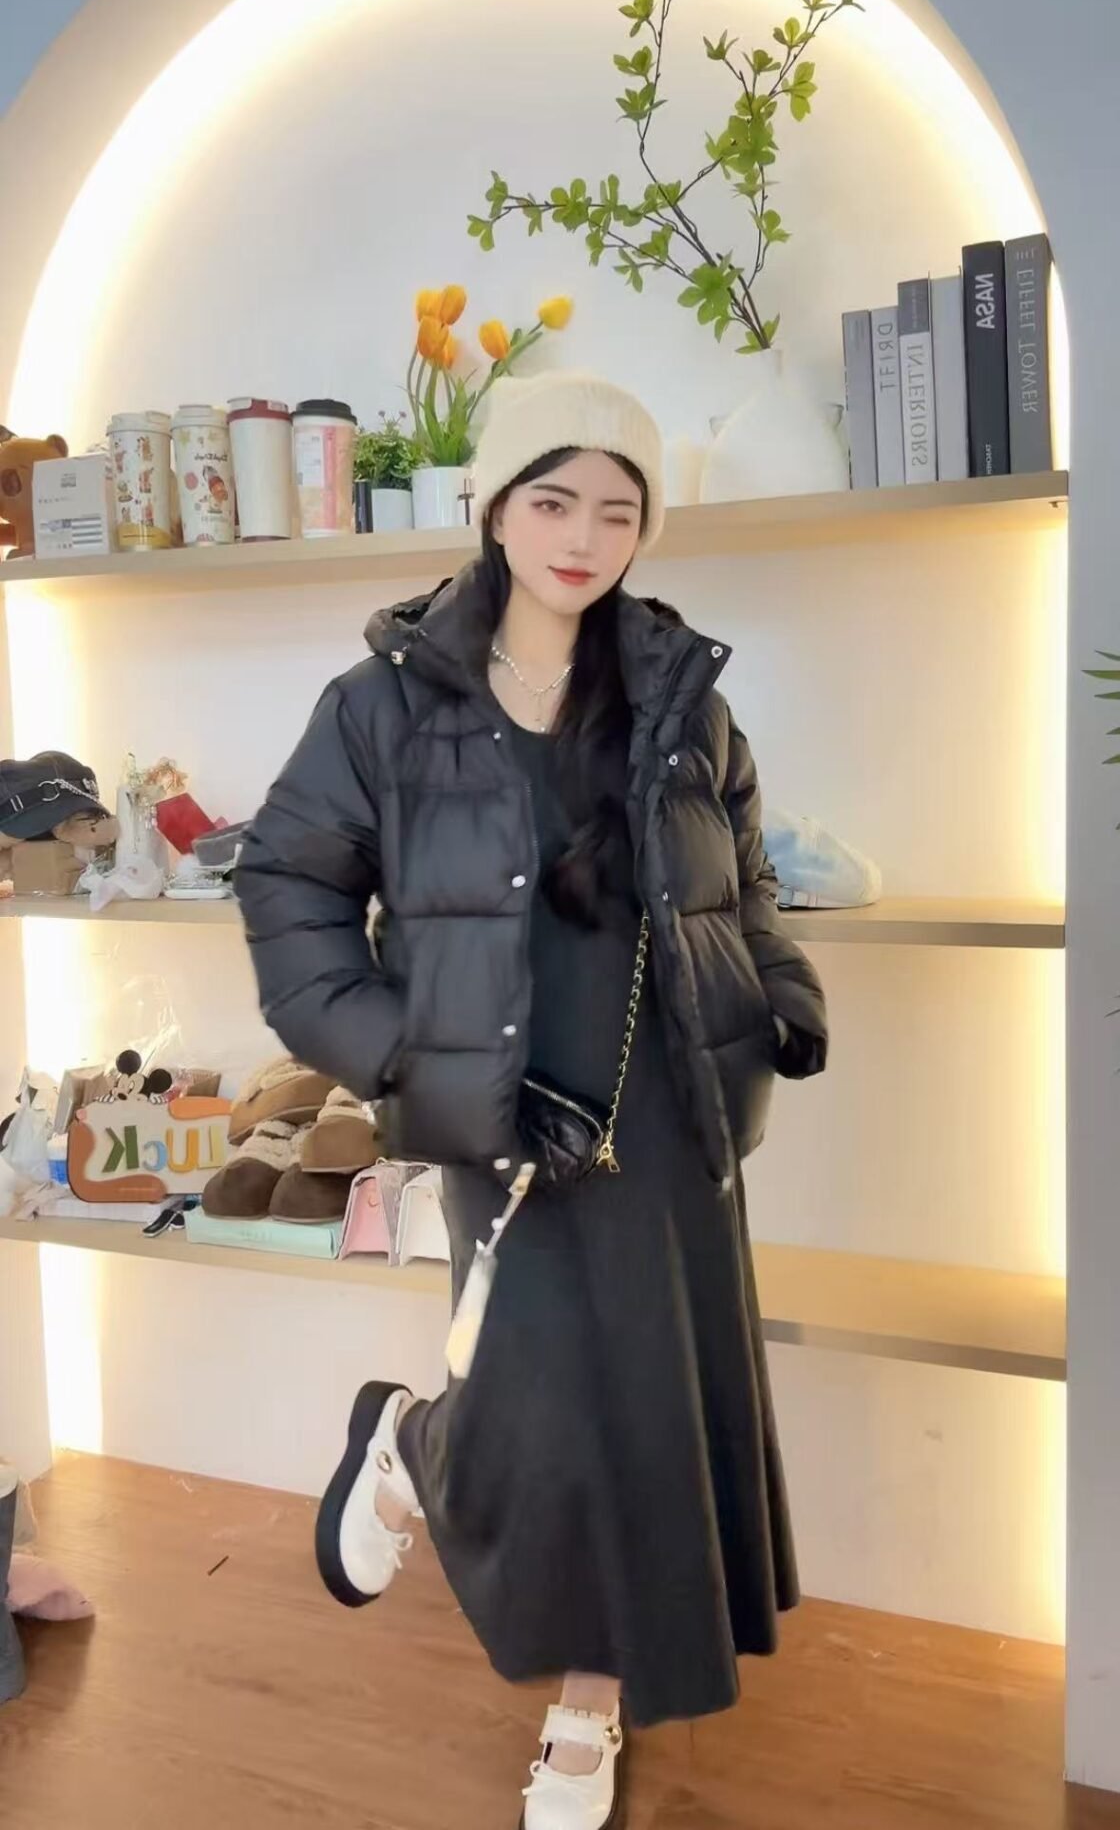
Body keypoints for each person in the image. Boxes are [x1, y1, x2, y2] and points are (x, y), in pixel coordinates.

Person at [236, 372, 828, 1828]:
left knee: (649, 1414)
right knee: (545, 1408)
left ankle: (586, 1712)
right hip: (504, 1107)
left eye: (619, 511)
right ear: (494, 507)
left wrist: (781, 994)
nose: (583, 537)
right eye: (553, 499)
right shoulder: (383, 704)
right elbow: (288, 885)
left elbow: (744, 873)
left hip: (668, 1103)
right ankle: (414, 1447)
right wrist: (406, 1058)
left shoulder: (682, 696)